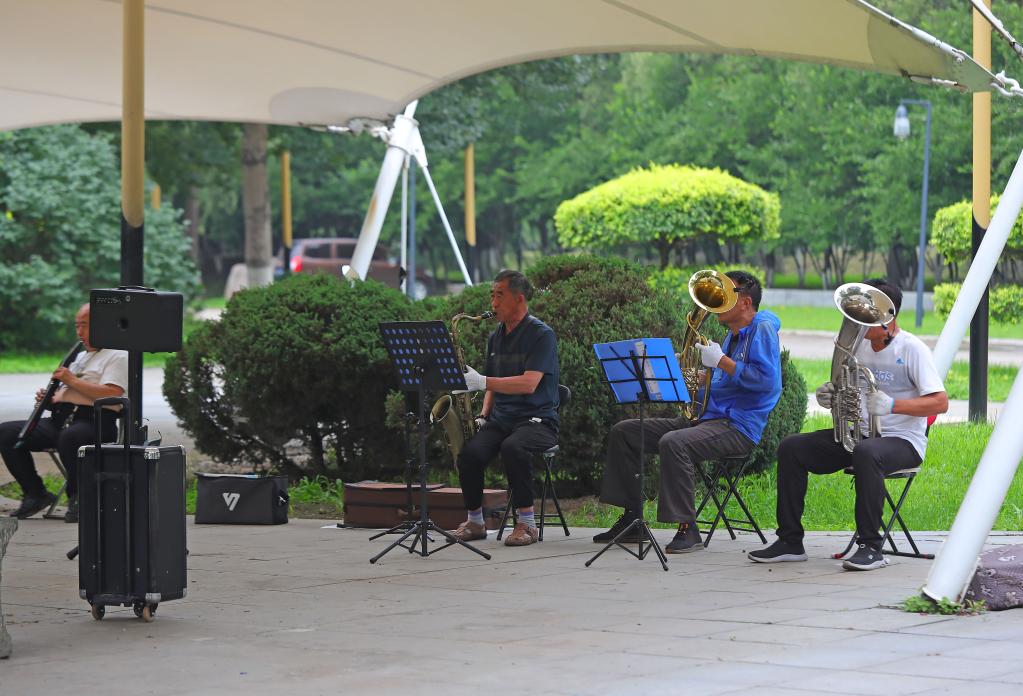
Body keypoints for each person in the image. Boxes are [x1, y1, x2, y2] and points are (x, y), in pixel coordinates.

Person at [749, 278, 948, 571]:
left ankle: (871, 547)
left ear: (888, 316)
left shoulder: (912, 349)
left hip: (903, 440)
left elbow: (940, 403)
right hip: (859, 436)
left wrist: (893, 405)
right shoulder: (857, 346)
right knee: (792, 447)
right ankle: (790, 541)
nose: (859, 325)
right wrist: (831, 395)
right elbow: (846, 387)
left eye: (867, 317)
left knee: (867, 453)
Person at [595, 270, 782, 553]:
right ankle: (633, 519)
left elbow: (768, 383)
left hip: (737, 426)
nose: (718, 301)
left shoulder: (762, 328)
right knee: (626, 432)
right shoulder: (732, 337)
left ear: (745, 302)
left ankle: (688, 529)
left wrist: (721, 362)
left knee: (674, 443)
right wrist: (693, 377)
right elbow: (728, 380)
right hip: (707, 420)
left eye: (726, 294)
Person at [449, 270, 560, 547]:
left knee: (513, 447)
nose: (493, 303)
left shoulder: (541, 335)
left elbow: (529, 383)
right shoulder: (495, 337)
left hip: (538, 421)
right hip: (502, 420)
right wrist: (483, 416)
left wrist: (482, 381)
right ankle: (475, 522)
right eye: (492, 295)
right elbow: (492, 383)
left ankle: (527, 524)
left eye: (499, 295)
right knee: (470, 454)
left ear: (519, 299)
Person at [0, 303, 127, 522]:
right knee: (6, 433)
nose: (79, 332)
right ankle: (35, 493)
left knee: (70, 437)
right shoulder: (81, 356)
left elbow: (112, 393)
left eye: (85, 325)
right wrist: (50, 399)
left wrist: (71, 380)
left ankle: (78, 497)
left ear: (103, 326)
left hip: (94, 422)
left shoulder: (118, 356)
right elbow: (69, 391)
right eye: (77, 326)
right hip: (61, 420)